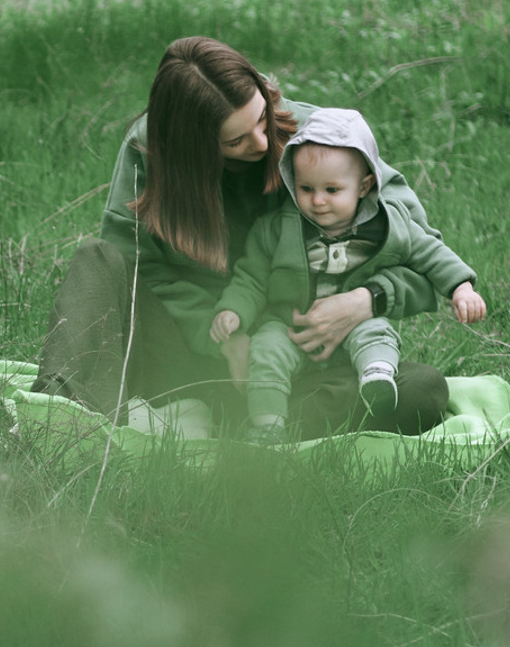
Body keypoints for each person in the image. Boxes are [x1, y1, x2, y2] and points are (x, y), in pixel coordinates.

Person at [31, 37, 453, 436]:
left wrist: (366, 300)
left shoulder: (325, 142)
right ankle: (58, 421)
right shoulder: (148, 154)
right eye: (235, 140)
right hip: (188, 353)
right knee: (97, 258)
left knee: (422, 390)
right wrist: (225, 341)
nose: (262, 142)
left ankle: (254, 425)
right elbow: (142, 270)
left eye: (262, 117)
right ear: (191, 149)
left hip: (296, 358)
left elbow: (424, 254)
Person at [208, 107, 486, 441]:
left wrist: (461, 288)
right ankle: (268, 426)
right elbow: (250, 278)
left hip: (354, 326)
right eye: (306, 188)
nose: (318, 201)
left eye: (332, 190)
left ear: (364, 186)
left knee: (376, 333)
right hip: (289, 327)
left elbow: (431, 253)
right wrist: (233, 311)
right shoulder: (276, 229)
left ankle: (376, 380)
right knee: (266, 350)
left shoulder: (388, 225)